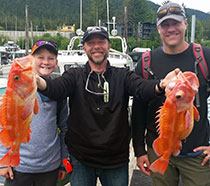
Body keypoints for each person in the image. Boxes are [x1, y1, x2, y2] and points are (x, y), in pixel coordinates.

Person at [36, 26, 179, 186]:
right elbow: (56, 89)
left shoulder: (123, 75)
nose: (96, 46)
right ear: (84, 48)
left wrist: (162, 84)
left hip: (115, 161)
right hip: (81, 159)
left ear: (108, 46)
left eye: (101, 42)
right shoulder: (74, 75)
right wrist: (36, 80)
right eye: (91, 42)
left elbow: (141, 88)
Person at [131, 1, 210, 186]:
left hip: (197, 154)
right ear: (158, 29)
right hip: (158, 150)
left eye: (175, 23)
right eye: (165, 25)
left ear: (185, 24)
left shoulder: (205, 57)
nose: (171, 29)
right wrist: (140, 150)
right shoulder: (145, 62)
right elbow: (138, 110)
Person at [0, 40, 69, 186]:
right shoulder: (15, 92)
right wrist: (3, 162)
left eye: (50, 58)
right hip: (19, 166)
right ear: (32, 60)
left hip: (50, 166)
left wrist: (64, 161)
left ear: (56, 63)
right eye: (40, 57)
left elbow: (65, 128)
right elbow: (4, 126)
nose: (46, 62)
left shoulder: (60, 94)